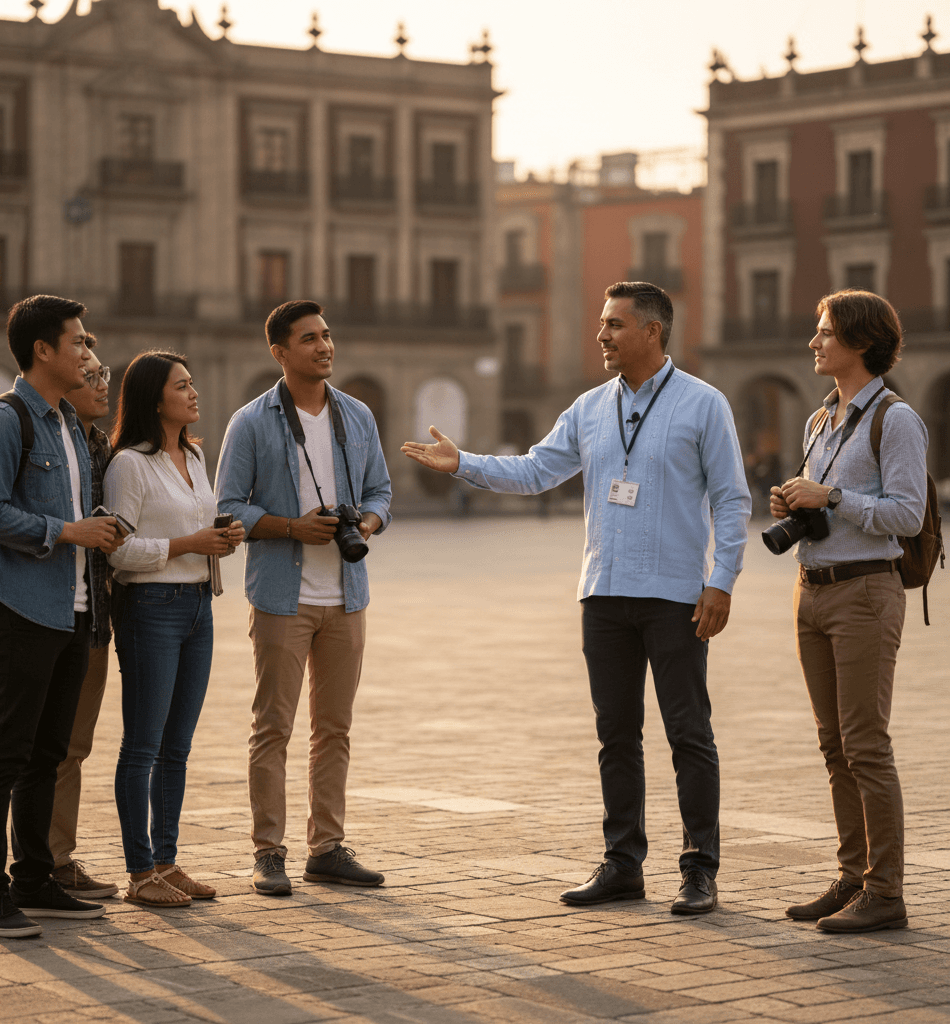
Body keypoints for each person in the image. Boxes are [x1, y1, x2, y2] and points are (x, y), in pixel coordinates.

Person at [402, 281, 751, 915]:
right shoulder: (590, 408)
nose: (602, 335)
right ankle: (623, 864)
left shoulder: (704, 405)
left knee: (688, 733)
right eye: (601, 323)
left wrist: (721, 579)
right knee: (615, 736)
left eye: (615, 324)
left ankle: (700, 867)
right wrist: (464, 464)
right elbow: (537, 470)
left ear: (652, 330)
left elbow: (732, 499)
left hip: (676, 595)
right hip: (604, 596)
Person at [215, 299, 392, 896]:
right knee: (274, 727)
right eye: (309, 338)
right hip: (281, 596)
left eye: (327, 335)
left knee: (334, 728)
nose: (324, 346)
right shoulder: (251, 421)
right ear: (280, 352)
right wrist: (293, 526)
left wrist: (365, 523)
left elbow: (381, 491)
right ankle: (268, 851)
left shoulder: (358, 415)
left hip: (347, 593)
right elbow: (228, 505)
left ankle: (328, 847)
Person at [0, 295, 121, 938]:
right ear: (43, 352)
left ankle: (34, 878)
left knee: (47, 750)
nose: (89, 353)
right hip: (21, 604)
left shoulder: (67, 423)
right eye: (79, 342)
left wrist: (94, 534)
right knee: (6, 750)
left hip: (74, 607)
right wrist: (68, 531)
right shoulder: (4, 422)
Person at [769, 290, 928, 934]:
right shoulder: (817, 421)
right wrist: (797, 505)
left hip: (866, 591)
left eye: (826, 332)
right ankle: (853, 875)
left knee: (866, 745)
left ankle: (886, 891)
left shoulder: (897, 419)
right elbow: (830, 505)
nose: (815, 342)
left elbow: (907, 513)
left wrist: (832, 495)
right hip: (812, 588)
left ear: (861, 342)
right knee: (834, 745)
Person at [103, 351, 245, 907]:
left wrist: (221, 539)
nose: (193, 393)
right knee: (142, 746)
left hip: (197, 607)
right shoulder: (128, 465)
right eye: (181, 386)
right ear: (153, 397)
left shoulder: (192, 456)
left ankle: (167, 861)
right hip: (149, 608)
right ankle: (140, 874)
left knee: (177, 748)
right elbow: (119, 551)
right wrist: (189, 545)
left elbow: (196, 526)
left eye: (192, 383)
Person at [48, 336, 119, 899]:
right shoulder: (37, 433)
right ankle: (38, 859)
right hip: (42, 614)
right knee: (31, 743)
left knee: (73, 744)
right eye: (91, 375)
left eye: (106, 374)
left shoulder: (101, 448)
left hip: (94, 615)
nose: (103, 385)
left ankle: (55, 856)